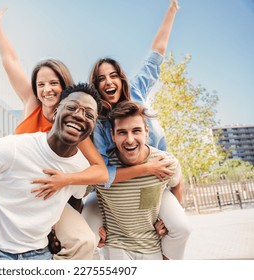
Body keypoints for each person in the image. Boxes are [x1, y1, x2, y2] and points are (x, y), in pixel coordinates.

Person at [0, 8, 108, 260]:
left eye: (54, 83)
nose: (46, 89)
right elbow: (10, 61)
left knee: (83, 240)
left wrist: (63, 184)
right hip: (4, 181)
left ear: (65, 89)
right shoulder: (32, 103)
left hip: (45, 194)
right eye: (41, 84)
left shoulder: (76, 127)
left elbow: (96, 171)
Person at [82, 0, 191, 260]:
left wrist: (172, 9)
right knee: (87, 232)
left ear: (121, 78)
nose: (107, 81)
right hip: (114, 193)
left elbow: (157, 52)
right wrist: (144, 169)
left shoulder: (139, 91)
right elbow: (102, 174)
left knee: (179, 227)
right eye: (100, 79)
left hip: (155, 184)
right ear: (96, 87)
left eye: (112, 75)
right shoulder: (98, 125)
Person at [0, 83, 102, 260]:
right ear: (56, 112)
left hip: (41, 255)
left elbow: (75, 197)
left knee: (85, 241)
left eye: (89, 114)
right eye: (72, 107)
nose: (80, 116)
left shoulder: (81, 168)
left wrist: (58, 233)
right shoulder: (14, 148)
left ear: (93, 126)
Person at [98, 100, 185, 260]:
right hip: (116, 246)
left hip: (152, 246)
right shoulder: (103, 167)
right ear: (113, 135)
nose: (130, 140)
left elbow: (177, 183)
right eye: (122, 132)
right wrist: (94, 227)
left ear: (146, 132)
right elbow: (79, 193)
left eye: (136, 131)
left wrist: (167, 221)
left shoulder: (164, 162)